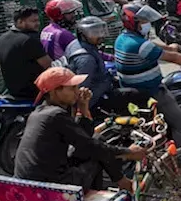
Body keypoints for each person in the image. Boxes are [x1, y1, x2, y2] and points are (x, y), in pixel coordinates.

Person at [14, 67, 147, 192]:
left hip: (36, 182)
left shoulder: (39, 112)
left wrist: (83, 107)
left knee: (97, 140)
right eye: (72, 88)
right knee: (98, 154)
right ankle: (113, 188)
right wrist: (128, 152)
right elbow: (89, 146)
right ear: (55, 92)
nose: (77, 92)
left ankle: (122, 182)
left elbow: (84, 137)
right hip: (51, 187)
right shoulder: (55, 115)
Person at [113, 3, 181, 142]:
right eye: (144, 21)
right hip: (151, 91)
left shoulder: (122, 38)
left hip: (131, 90)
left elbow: (151, 45)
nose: (147, 24)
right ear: (133, 23)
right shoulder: (140, 45)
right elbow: (174, 59)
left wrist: (168, 47)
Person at [0, 7, 52, 100]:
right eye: (34, 21)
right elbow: (48, 65)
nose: (38, 24)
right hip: (35, 93)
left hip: (12, 92)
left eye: (38, 20)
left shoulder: (2, 38)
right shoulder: (29, 40)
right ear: (20, 22)